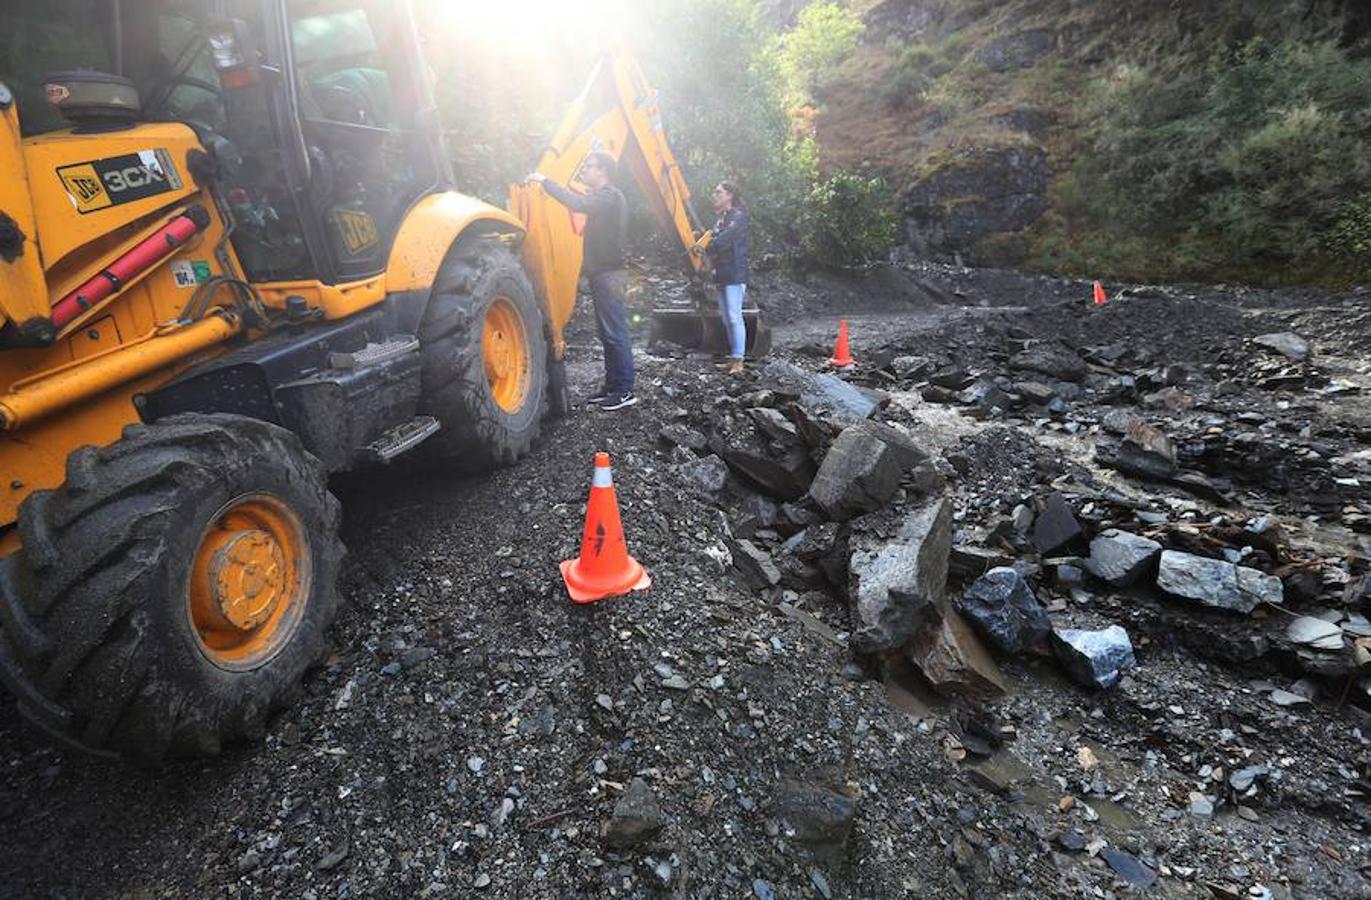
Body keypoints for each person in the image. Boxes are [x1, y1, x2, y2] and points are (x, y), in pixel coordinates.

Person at [526, 152, 636, 410]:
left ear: (603, 172)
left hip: (610, 275)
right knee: (608, 334)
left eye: (589, 167)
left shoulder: (609, 195)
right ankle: (612, 386)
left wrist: (545, 181)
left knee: (616, 333)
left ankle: (624, 390)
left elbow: (577, 203)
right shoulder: (604, 198)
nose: (584, 170)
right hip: (603, 274)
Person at [702, 181, 750, 375]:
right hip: (722, 273)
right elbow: (714, 243)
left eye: (719, 192)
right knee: (727, 318)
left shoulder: (738, 217)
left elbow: (721, 241)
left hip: (735, 274)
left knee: (734, 316)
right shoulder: (721, 219)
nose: (715, 195)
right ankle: (733, 359)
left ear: (730, 195)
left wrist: (705, 245)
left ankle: (739, 360)